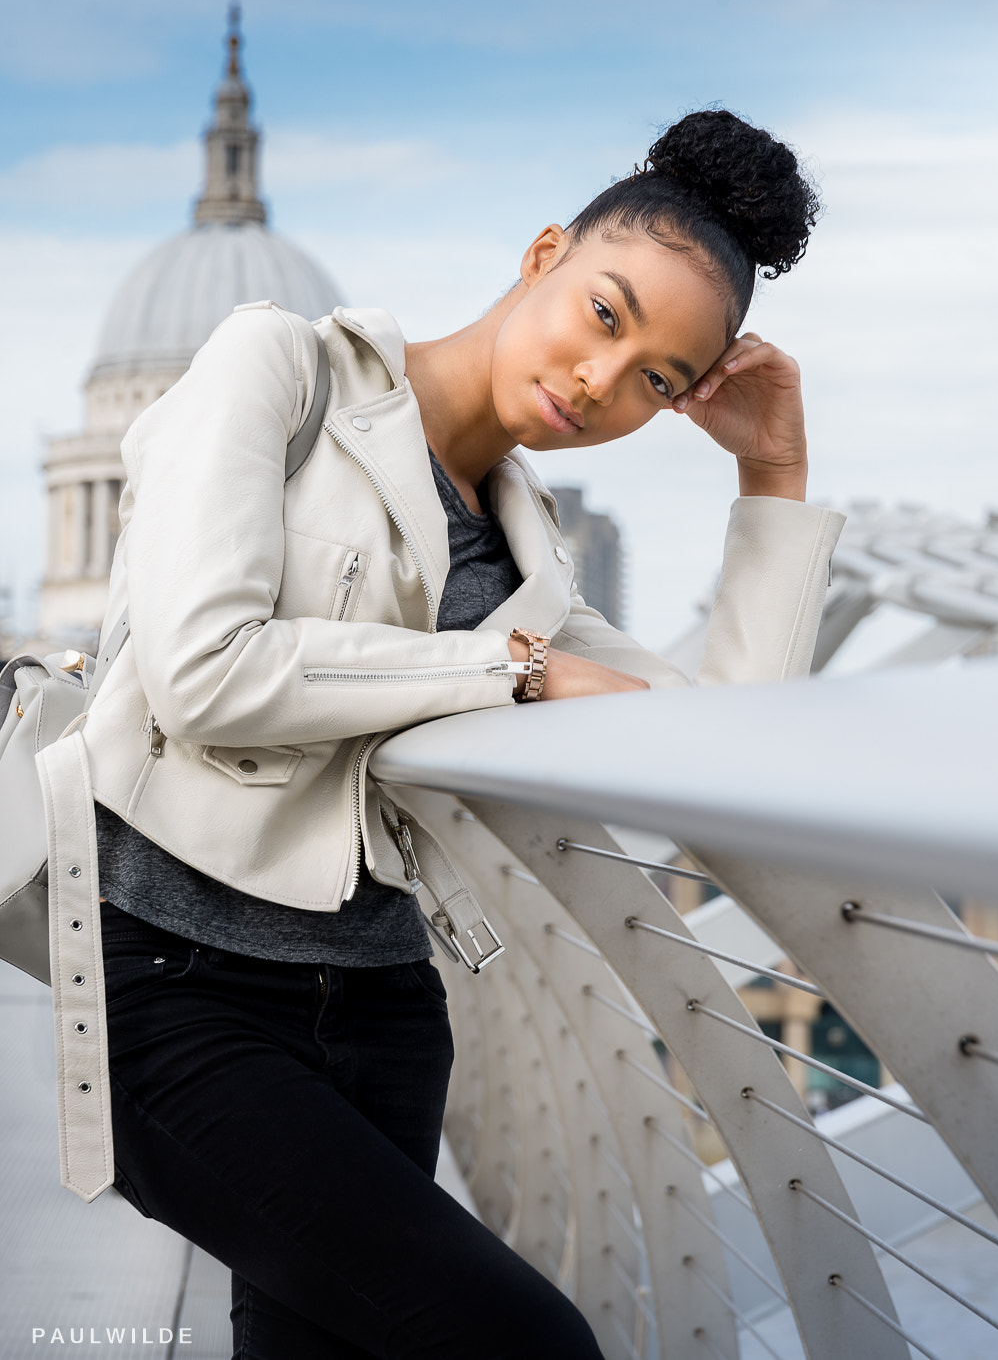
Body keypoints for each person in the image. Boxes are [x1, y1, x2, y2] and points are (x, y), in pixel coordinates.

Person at [83, 107, 843, 1359]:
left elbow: (727, 746)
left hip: (383, 1004)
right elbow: (203, 674)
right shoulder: (280, 366)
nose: (604, 382)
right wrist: (515, 675)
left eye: (657, 378)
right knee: (526, 1345)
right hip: (167, 990)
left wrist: (772, 477)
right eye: (606, 314)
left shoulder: (532, 561)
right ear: (544, 252)